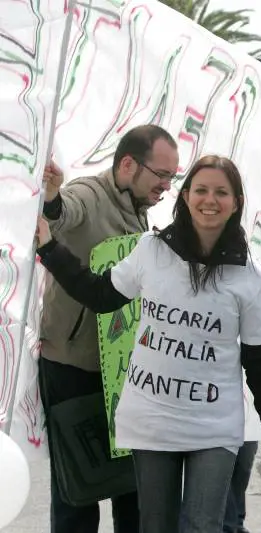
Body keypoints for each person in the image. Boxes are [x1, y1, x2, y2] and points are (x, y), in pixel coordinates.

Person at [35, 155, 261, 533]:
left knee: (201, 525)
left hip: (214, 424)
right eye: (201, 190)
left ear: (236, 202)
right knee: (155, 526)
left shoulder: (250, 278)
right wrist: (49, 247)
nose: (210, 200)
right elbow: (99, 295)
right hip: (152, 419)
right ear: (186, 196)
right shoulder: (152, 251)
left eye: (221, 192)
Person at [38, 124, 179, 533]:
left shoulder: (140, 209)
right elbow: (62, 213)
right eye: (161, 174)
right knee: (77, 495)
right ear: (128, 164)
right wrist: (51, 198)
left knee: (131, 493)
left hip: (123, 375)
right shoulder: (90, 193)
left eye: (173, 176)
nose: (167, 186)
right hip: (72, 368)